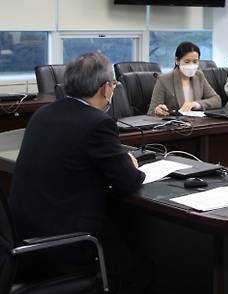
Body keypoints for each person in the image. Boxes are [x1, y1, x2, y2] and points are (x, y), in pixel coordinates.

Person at [9, 52, 149, 293]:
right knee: (142, 272)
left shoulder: (42, 114)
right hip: (67, 246)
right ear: (106, 88)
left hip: (22, 239)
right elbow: (128, 182)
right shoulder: (98, 123)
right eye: (114, 85)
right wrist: (130, 164)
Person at [149, 41, 221, 116]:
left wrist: (196, 104)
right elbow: (151, 111)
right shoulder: (163, 79)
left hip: (197, 121)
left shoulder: (199, 76)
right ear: (177, 61)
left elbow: (217, 100)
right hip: (175, 121)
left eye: (195, 62)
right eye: (187, 62)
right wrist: (158, 111)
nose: (191, 65)